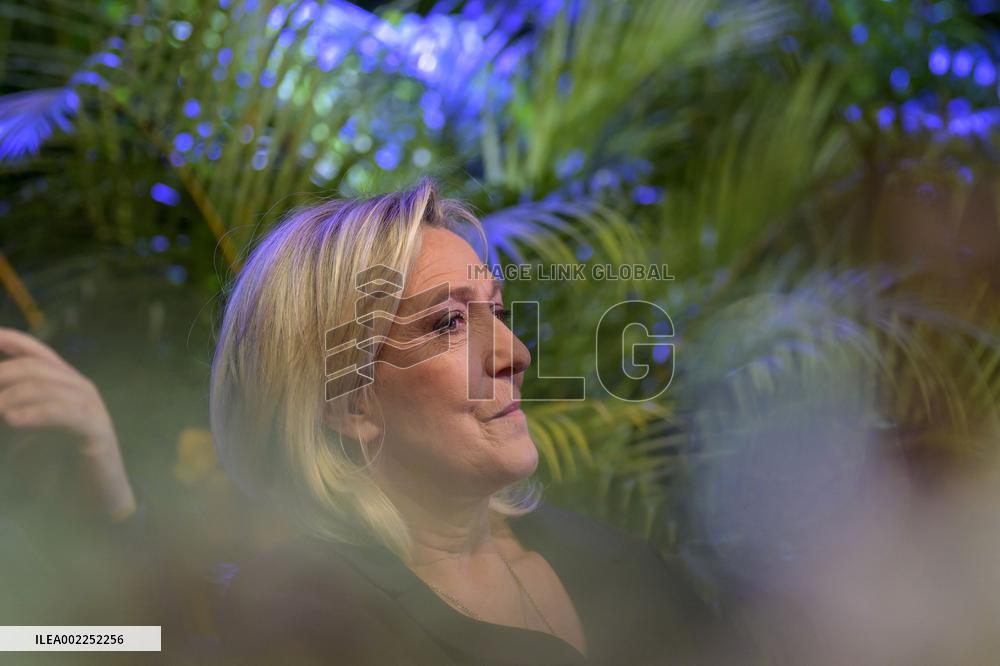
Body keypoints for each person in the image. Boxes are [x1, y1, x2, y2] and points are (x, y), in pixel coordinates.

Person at [210, 179, 745, 665]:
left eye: (499, 312)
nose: (515, 353)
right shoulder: (300, 624)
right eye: (449, 323)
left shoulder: (619, 561)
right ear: (349, 404)